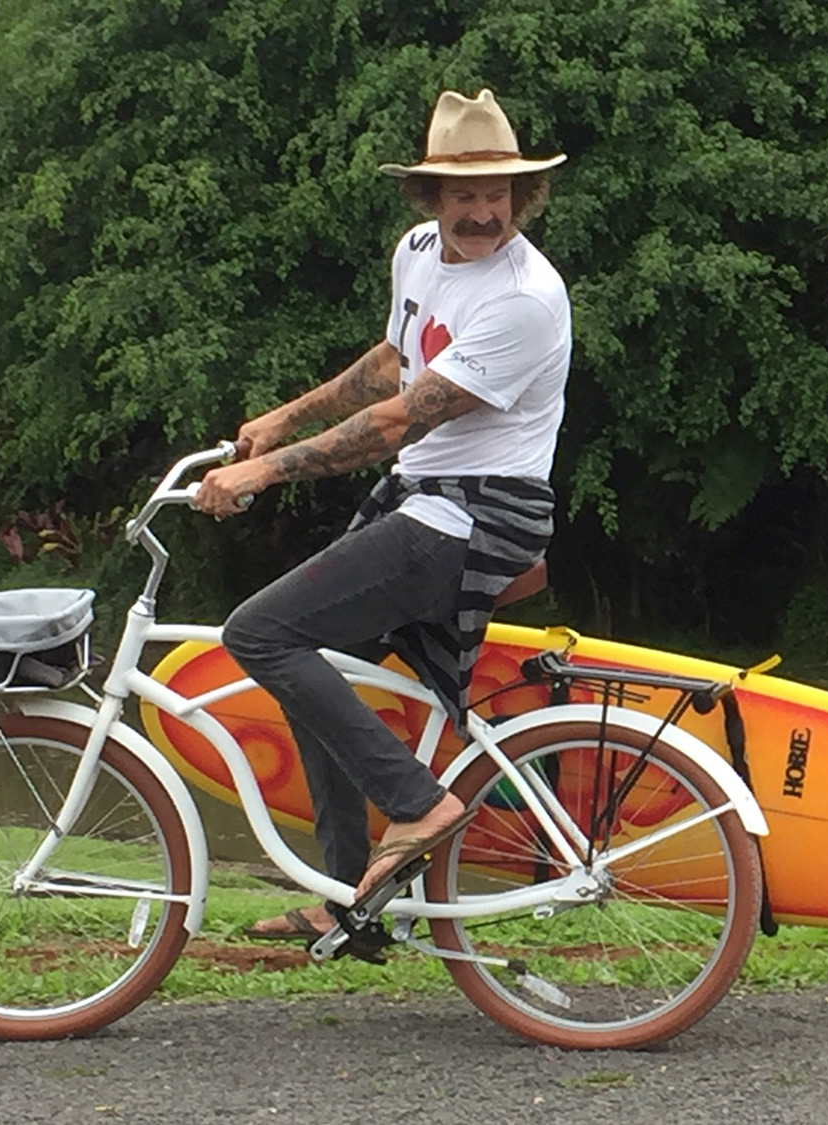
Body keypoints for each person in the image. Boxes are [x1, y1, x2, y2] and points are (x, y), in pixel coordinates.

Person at [194, 88, 571, 947]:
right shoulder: (418, 253)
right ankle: (348, 903)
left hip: (482, 514)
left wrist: (267, 470)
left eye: (499, 194)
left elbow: (402, 419)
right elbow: (396, 360)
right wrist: (286, 414)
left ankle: (419, 802)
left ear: (523, 195)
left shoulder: (526, 298)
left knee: (258, 633)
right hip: (423, 501)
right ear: (430, 196)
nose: (483, 212)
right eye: (464, 194)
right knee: (308, 660)